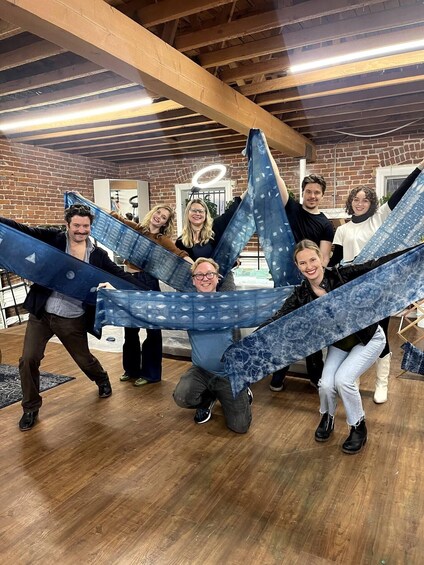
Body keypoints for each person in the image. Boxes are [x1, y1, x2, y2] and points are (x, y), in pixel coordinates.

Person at [0, 204, 146, 431]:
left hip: (72, 317)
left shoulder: (97, 256)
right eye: (76, 225)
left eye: (85, 226)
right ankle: (30, 407)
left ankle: (101, 378)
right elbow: (23, 230)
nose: (81, 230)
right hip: (42, 312)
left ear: (90, 227)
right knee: (28, 359)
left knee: (83, 359)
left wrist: (147, 293)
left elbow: (118, 275)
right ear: (67, 224)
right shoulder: (54, 240)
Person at [261, 239, 405, 454]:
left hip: (368, 338)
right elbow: (277, 318)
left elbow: (377, 264)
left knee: (344, 380)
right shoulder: (301, 295)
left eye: (312, 259)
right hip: (340, 344)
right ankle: (327, 417)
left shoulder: (342, 274)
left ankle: (358, 427)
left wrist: (414, 252)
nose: (309, 266)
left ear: (321, 259)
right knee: (326, 384)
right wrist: (250, 341)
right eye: (303, 263)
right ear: (297, 267)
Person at [329, 158, 424, 403]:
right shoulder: (342, 229)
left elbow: (400, 194)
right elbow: (336, 261)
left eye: (365, 199)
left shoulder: (380, 218)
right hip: (350, 292)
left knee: (378, 335)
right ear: (350, 202)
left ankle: (382, 384)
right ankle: (354, 379)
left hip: (378, 290)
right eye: (356, 199)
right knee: (354, 336)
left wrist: (420, 168)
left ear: (372, 203)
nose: (360, 203)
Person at [265, 140, 334, 391]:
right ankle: (278, 375)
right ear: (303, 192)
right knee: (283, 328)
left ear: (322, 195)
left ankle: (315, 376)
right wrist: (266, 148)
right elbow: (278, 179)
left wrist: (314, 280)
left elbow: (324, 259)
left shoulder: (326, 224)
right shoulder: (291, 208)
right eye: (309, 191)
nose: (312, 196)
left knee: (312, 332)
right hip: (285, 282)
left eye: (317, 192)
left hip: (310, 285)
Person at [109, 204, 193, 387]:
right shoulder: (137, 229)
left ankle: (151, 374)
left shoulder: (162, 240)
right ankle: (130, 369)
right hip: (128, 279)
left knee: (152, 330)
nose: (159, 217)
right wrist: (86, 202)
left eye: (164, 217)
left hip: (147, 281)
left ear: (165, 223)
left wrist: (198, 267)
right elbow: (116, 218)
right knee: (129, 327)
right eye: (158, 213)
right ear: (153, 213)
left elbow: (180, 254)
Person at [173, 258, 253, 433]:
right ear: (193, 281)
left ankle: (241, 389)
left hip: (229, 373)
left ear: (218, 278)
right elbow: (148, 304)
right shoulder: (187, 307)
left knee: (240, 427)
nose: (205, 278)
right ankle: (207, 398)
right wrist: (114, 291)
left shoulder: (230, 304)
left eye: (210, 274)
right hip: (201, 372)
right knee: (182, 397)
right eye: (199, 275)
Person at [175, 192, 246, 291]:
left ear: (205, 214)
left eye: (201, 211)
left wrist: (251, 187)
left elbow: (232, 210)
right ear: (188, 213)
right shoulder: (181, 242)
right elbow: (180, 268)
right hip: (199, 282)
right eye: (194, 210)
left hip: (222, 277)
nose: (197, 214)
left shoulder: (215, 227)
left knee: (227, 303)